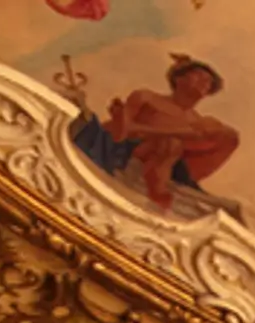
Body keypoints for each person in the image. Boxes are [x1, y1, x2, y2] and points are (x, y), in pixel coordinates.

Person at [72, 56, 240, 216]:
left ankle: (159, 196)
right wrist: (120, 118)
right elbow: (121, 134)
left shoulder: (198, 121)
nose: (205, 83)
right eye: (198, 76)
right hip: (129, 149)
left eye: (209, 82)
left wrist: (143, 128)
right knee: (170, 143)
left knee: (178, 143)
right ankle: (158, 196)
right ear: (179, 79)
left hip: (168, 163)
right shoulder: (147, 98)